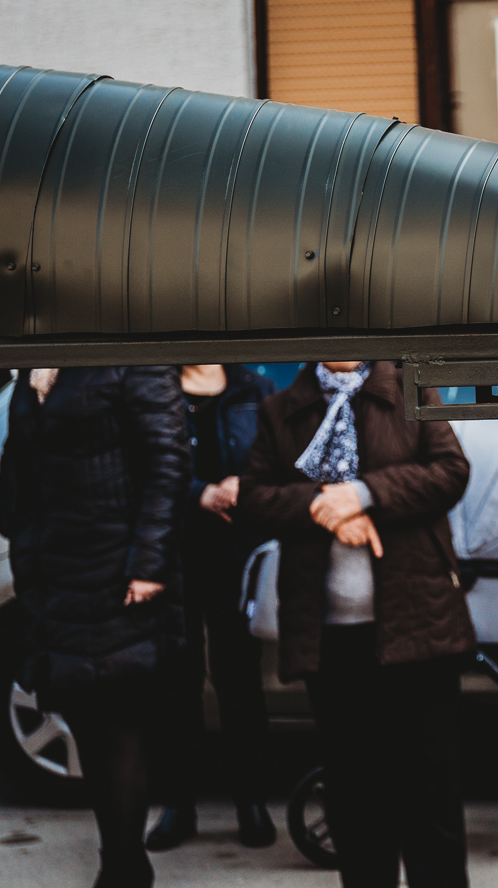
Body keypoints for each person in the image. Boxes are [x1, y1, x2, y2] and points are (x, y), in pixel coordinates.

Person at [239, 361, 473, 888]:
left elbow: (450, 471)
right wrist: (324, 504)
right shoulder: (282, 408)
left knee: (429, 787)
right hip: (331, 637)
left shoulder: (410, 387)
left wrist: (365, 495)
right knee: (354, 790)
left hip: (417, 628)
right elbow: (253, 496)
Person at [0, 367, 190, 888]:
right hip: (55, 570)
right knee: (85, 717)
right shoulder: (36, 365)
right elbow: (19, 460)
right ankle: (120, 859)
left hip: (116, 568)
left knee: (118, 725)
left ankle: (124, 868)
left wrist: (149, 561)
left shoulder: (127, 353)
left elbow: (168, 457)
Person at [146, 365, 277, 852]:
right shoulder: (153, 389)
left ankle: (251, 803)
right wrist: (200, 493)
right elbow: (140, 466)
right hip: (172, 558)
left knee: (240, 681)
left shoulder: (255, 389)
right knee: (175, 686)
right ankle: (178, 807)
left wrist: (245, 485)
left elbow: (276, 460)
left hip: (235, 556)